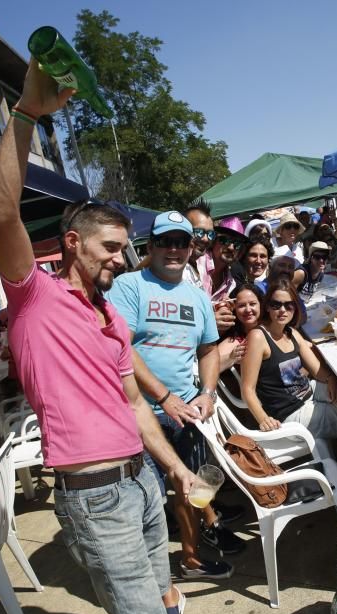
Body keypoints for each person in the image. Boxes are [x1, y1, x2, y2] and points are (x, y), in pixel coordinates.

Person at [0, 60, 196, 614]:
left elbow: (134, 404)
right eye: (109, 248)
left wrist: (175, 469)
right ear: (72, 242)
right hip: (94, 494)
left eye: (123, 250)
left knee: (161, 595)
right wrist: (26, 112)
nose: (118, 260)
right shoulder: (34, 293)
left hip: (141, 479)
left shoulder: (112, 317)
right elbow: (0, 213)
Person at [107, 211, 243, 585]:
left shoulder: (197, 297)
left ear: (190, 248)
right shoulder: (129, 286)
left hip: (186, 412)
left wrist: (209, 393)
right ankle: (153, 582)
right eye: (165, 241)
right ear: (150, 246)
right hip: (140, 415)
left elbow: (209, 349)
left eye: (181, 242)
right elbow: (123, 350)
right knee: (150, 502)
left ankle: (191, 558)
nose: (173, 249)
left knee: (191, 491)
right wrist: (164, 396)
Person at [239, 279, 337, 480]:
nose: (282, 310)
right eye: (276, 304)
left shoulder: (291, 333)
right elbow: (247, 389)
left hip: (309, 393)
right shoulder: (258, 337)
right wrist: (263, 419)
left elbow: (318, 371)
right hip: (290, 412)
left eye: (288, 305)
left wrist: (331, 378)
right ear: (267, 307)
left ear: (295, 308)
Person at [217, 283, 263, 373]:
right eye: (241, 305)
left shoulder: (273, 330)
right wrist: (230, 358)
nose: (248, 309)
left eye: (252, 304)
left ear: (261, 305)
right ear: (234, 309)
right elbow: (208, 367)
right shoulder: (236, 340)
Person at [184, 199, 215, 288]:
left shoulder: (197, 267)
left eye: (210, 234)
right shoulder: (172, 268)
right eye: (199, 232)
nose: (205, 239)